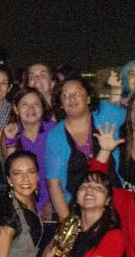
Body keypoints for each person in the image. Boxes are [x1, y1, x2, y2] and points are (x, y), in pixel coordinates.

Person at [45, 76, 126, 219]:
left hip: (115, 203)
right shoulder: (55, 136)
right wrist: (67, 223)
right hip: (79, 208)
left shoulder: (106, 115)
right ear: (61, 104)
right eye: (65, 95)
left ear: (88, 98)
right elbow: (54, 184)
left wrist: (116, 90)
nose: (71, 98)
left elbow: (134, 118)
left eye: (77, 93)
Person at [3, 88, 56, 219]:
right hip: (25, 201)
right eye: (24, 105)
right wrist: (10, 141)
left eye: (36, 104)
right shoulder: (10, 133)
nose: (31, 109)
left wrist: (50, 202)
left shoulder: (54, 130)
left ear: (42, 107)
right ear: (16, 109)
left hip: (56, 199)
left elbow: (59, 172)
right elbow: (12, 175)